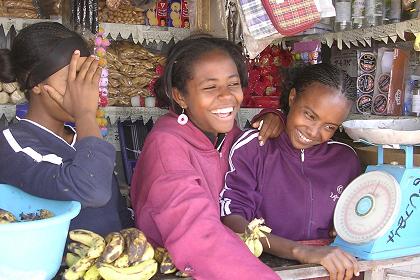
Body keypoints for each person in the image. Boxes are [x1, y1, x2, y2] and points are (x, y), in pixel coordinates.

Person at [130, 35, 283, 279]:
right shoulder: (166, 146)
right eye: (210, 87)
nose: (226, 97)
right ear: (180, 96)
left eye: (233, 84)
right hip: (179, 269)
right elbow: (198, 235)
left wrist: (277, 118)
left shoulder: (229, 135)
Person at [220, 63, 362, 280]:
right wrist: (300, 251)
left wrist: (346, 224)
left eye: (330, 127)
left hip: (330, 271)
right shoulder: (255, 147)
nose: (314, 132)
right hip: (264, 270)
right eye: (309, 115)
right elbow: (233, 219)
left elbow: (359, 218)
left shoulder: (345, 160)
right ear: (292, 98)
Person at [0, 22, 132, 236]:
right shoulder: (12, 145)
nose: (84, 89)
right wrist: (85, 114)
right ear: (37, 83)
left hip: (108, 264)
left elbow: (117, 215)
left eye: (86, 78)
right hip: (60, 268)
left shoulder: (84, 138)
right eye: (73, 78)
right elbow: (93, 190)